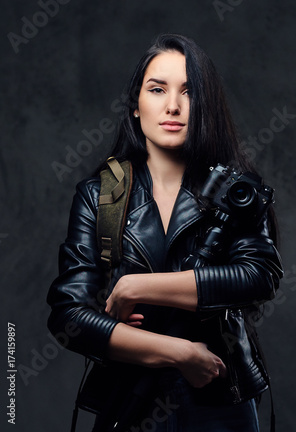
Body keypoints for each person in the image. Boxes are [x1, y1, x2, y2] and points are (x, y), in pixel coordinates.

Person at [46, 34, 283, 432]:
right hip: (130, 398)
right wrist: (178, 353)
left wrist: (138, 286)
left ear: (206, 107)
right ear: (136, 106)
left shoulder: (236, 190)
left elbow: (259, 276)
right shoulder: (101, 196)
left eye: (188, 93)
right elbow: (68, 315)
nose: (172, 106)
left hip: (220, 402)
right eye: (157, 89)